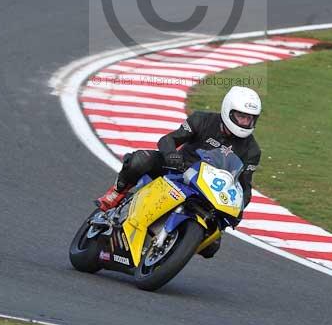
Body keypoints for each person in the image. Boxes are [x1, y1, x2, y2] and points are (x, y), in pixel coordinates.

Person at [96, 86, 262, 238]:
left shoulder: (252, 150)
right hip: (178, 169)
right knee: (140, 160)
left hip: (209, 192)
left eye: (250, 119)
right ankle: (117, 193)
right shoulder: (202, 119)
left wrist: (239, 209)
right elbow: (168, 139)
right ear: (228, 111)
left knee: (212, 246)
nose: (245, 122)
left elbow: (244, 185)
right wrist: (171, 155)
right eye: (241, 117)